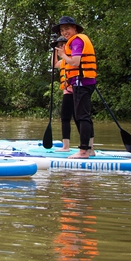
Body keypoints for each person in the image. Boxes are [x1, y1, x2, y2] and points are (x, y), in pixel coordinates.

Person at [52, 16, 97, 159]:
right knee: (81, 116)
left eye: (67, 29)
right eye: (62, 30)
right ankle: (89, 150)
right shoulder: (76, 40)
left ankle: (84, 151)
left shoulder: (77, 40)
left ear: (75, 28)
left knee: (82, 116)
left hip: (82, 82)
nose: (65, 32)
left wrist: (63, 55)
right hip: (82, 82)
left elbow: (76, 62)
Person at [51, 36, 75, 152]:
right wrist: (54, 50)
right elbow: (54, 64)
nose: (61, 47)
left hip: (78, 91)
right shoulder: (63, 61)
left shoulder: (72, 58)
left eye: (63, 45)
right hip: (67, 92)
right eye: (59, 45)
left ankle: (88, 147)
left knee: (80, 118)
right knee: (65, 118)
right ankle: (66, 146)